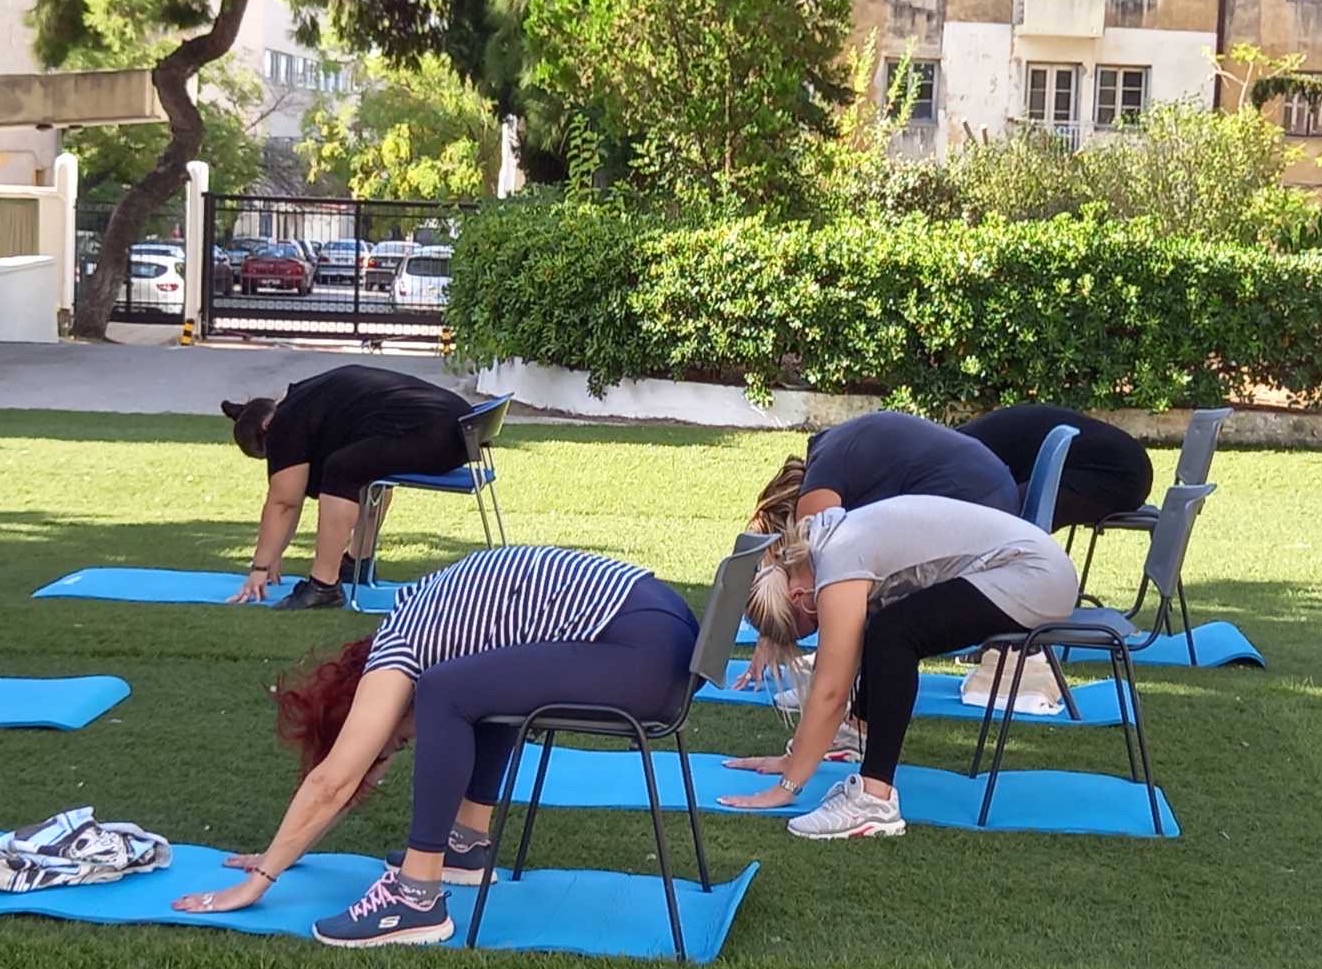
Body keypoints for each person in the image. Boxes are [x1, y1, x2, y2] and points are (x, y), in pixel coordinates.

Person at [171, 545, 699, 947]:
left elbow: (336, 780)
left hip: (640, 656)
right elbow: (349, 778)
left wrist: (259, 882)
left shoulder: (400, 648)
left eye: (396, 740)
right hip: (668, 639)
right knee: (477, 685)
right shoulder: (422, 612)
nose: (402, 744)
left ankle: (414, 897)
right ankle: (466, 848)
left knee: (444, 690)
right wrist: (281, 852)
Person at [718, 496, 1077, 839]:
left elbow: (831, 689)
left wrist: (787, 786)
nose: (814, 634)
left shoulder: (838, 561)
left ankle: (874, 799)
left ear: (799, 600)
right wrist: (793, 756)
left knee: (895, 633)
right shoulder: (821, 544)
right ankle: (855, 735)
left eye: (801, 633)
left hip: (1035, 576)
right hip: (1030, 564)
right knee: (883, 627)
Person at [221, 365, 473, 610]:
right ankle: (356, 564)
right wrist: (274, 551)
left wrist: (259, 568)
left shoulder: (285, 422)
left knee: (340, 470)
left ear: (267, 428)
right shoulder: (307, 398)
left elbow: (284, 502)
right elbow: (291, 497)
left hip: (438, 435)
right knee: (363, 466)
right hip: (463, 429)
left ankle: (323, 587)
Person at [747, 411, 1019, 538]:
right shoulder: (830, 449)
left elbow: (814, 552)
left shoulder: (821, 479)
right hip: (994, 492)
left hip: (979, 506)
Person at [957, 404, 1154, 531]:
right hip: (1120, 463)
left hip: (1116, 472)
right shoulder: (957, 447)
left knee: (1005, 524)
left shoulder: (956, 460)